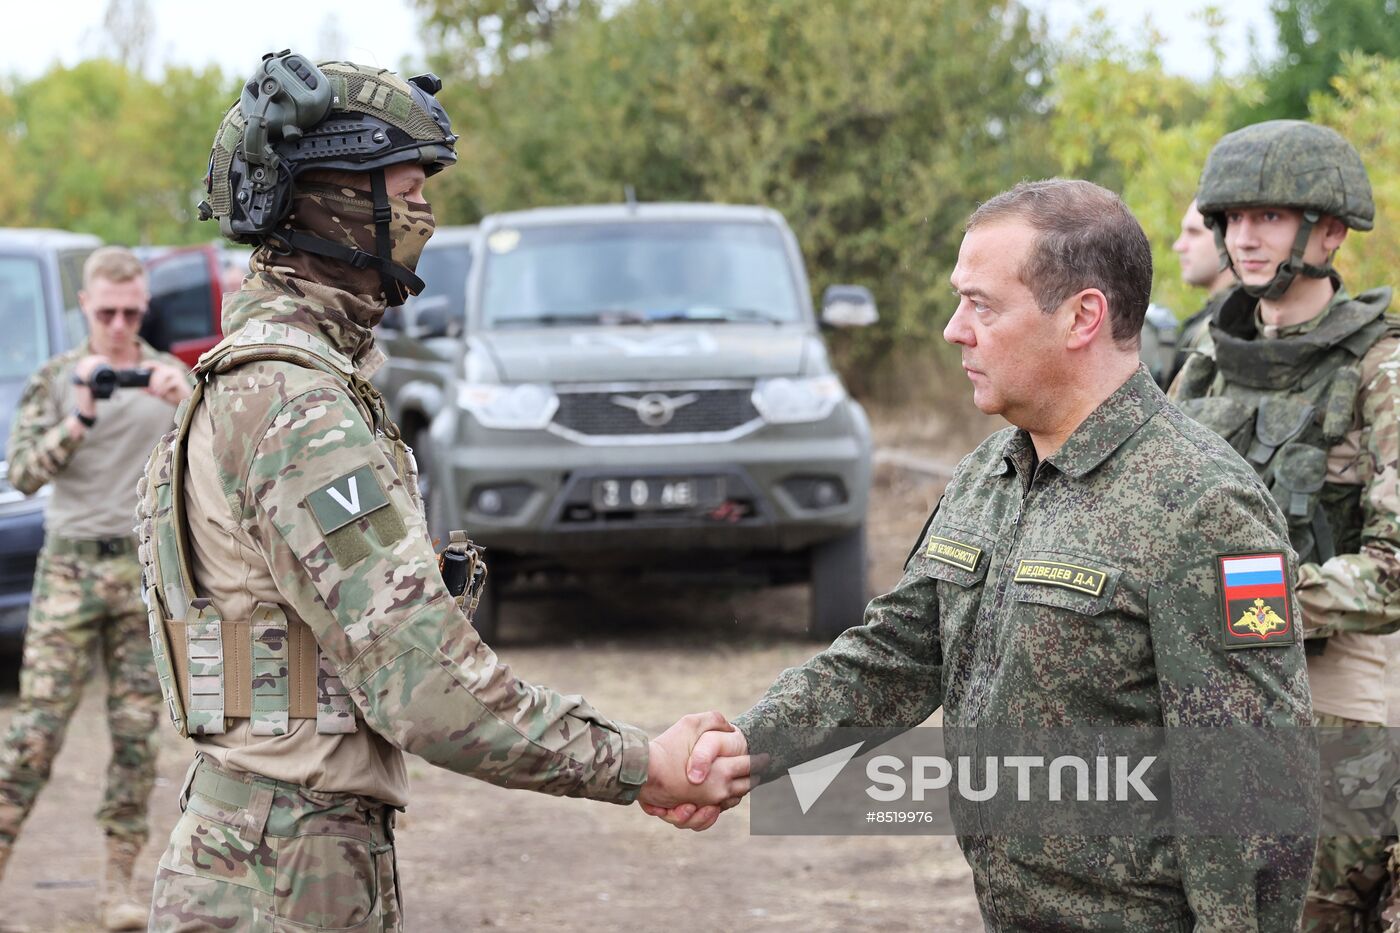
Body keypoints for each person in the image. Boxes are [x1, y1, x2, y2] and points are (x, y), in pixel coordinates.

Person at [139, 53, 747, 930]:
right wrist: (641, 762)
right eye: (408, 188)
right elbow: (424, 681)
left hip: (273, 850)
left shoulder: (267, 380)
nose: (424, 213)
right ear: (333, 200)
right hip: (284, 871)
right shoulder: (296, 406)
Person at [651, 180, 1316, 930]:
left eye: (982, 305)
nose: (953, 330)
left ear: (1082, 317)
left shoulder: (1203, 506)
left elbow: (1254, 791)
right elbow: (898, 654)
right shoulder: (988, 475)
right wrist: (746, 746)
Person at [1169, 119, 1400, 932]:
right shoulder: (1208, 361)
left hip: (1331, 690)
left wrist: (1243, 603)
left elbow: (1395, 569)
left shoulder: (1381, 368)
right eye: (1232, 218)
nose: (1244, 237)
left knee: (1311, 913)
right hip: (1208, 691)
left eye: (1268, 216)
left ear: (1329, 232)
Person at [2, 246, 193, 930]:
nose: (118, 326)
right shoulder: (58, 379)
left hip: (142, 575)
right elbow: (23, 473)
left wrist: (187, 405)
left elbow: (217, 469)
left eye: (131, 313)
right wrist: (78, 414)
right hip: (69, 568)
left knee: (136, 737)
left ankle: (118, 884)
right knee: (36, 732)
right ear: (85, 305)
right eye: (106, 312)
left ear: (145, 309)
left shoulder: (171, 378)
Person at [1163, 198, 1239, 387]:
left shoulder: (1232, 324)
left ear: (1229, 237)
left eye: (1194, 233)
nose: (1179, 245)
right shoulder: (1214, 317)